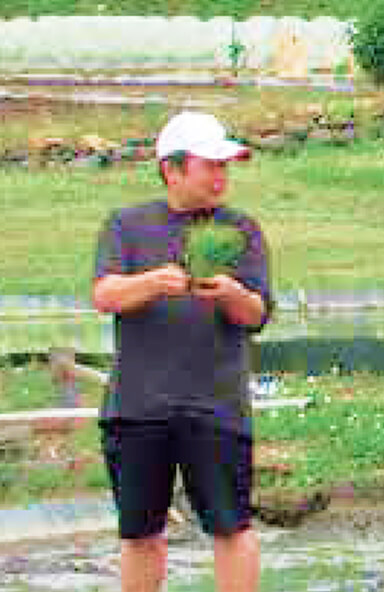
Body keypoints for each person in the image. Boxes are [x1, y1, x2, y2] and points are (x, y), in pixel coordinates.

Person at [91, 112, 271, 592]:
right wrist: (152, 283)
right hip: (138, 408)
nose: (221, 177)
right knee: (140, 533)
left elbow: (257, 313)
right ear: (172, 170)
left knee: (232, 527)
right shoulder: (126, 226)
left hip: (216, 408)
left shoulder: (241, 231)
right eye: (210, 165)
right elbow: (104, 295)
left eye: (225, 166)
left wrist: (231, 293)